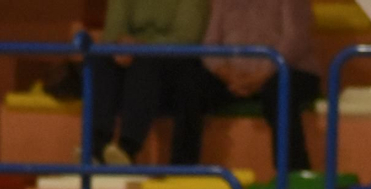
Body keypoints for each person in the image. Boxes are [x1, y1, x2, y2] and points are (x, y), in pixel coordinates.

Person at [172, 0, 320, 170]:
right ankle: (182, 170)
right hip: (234, 75)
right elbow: (210, 43)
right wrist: (227, 73)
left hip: (288, 70)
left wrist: (260, 76)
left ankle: (292, 174)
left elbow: (295, 41)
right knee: (190, 87)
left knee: (279, 91)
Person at [90, 0, 210, 166]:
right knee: (101, 60)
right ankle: (95, 147)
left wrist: (141, 46)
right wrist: (120, 46)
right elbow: (112, 31)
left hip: (173, 65)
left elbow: (186, 37)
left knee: (145, 62)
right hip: (132, 57)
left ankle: (127, 149)